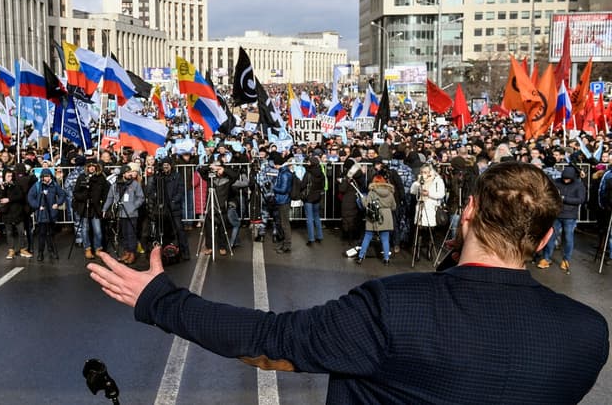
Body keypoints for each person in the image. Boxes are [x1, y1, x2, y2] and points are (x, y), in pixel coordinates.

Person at [88, 162, 609, 404]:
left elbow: (270, 340)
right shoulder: (588, 334)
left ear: (467, 212)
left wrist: (159, 300)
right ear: (543, 241)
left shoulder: (397, 307)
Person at [538, 165, 586, 272]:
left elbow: (581, 200)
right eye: (564, 178)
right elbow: (548, 194)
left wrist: (564, 198)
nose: (565, 180)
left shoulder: (579, 185)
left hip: (570, 216)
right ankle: (546, 258)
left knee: (568, 238)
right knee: (550, 237)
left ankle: (566, 260)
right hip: (556, 214)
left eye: (568, 179)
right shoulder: (556, 182)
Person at [103, 163, 145, 265]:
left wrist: (133, 207)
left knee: (131, 234)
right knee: (124, 235)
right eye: (128, 172)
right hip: (120, 213)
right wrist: (105, 209)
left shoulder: (135, 184)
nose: (130, 174)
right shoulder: (115, 185)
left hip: (131, 214)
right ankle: (126, 252)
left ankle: (132, 254)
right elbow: (110, 198)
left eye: (130, 171)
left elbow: (141, 197)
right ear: (122, 174)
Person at [355, 174, 396, 265]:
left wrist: (362, 198)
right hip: (386, 217)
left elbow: (366, 205)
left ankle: (360, 257)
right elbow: (394, 207)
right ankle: (386, 259)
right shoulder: (390, 192)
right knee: (385, 238)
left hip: (373, 216)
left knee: (367, 236)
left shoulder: (372, 192)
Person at [27, 168, 66, 262]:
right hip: (42, 213)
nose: (47, 178)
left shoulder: (54, 185)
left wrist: (58, 203)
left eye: (48, 176)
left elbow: (62, 194)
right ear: (42, 177)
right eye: (45, 176)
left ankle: (51, 250)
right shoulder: (37, 185)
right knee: (42, 234)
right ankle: (40, 253)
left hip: (51, 213)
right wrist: (37, 205)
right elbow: (30, 197)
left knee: (51, 233)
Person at [73, 162, 109, 260]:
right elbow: (76, 192)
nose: (92, 168)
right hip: (84, 206)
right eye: (90, 166)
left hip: (96, 207)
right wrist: (84, 197)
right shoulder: (82, 177)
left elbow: (106, 193)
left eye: (93, 166)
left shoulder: (101, 178)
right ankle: (87, 248)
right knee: (85, 229)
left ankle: (98, 248)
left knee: (98, 230)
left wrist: (102, 205)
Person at [410, 163, 446, 260]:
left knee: (430, 231)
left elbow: (441, 194)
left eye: (426, 172)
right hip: (421, 207)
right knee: (419, 230)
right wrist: (418, 182)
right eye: (422, 172)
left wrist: (429, 193)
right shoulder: (419, 181)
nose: (424, 174)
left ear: (430, 172)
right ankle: (417, 252)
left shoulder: (437, 180)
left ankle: (429, 252)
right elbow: (412, 191)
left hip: (431, 208)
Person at [0, 168, 30, 260]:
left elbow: (20, 196)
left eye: (11, 176)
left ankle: (23, 249)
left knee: (21, 232)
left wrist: (9, 199)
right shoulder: (1, 186)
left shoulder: (17, 185)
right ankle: (11, 250)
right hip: (7, 213)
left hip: (17, 212)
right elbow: (0, 198)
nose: (10, 178)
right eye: (8, 176)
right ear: (4, 177)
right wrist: (3, 189)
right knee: (9, 232)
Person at [301, 154, 326, 246]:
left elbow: (303, 185)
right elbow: (323, 185)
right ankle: (319, 236)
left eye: (309, 161)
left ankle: (311, 239)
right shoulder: (321, 172)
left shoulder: (308, 173)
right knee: (317, 217)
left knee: (309, 219)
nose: (307, 163)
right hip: (317, 196)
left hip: (308, 197)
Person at [272, 155, 293, 254]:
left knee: (285, 224)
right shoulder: (283, 172)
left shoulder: (284, 174)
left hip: (283, 200)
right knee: (284, 223)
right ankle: (285, 243)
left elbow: (283, 189)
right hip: (282, 200)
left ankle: (287, 245)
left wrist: (273, 188)